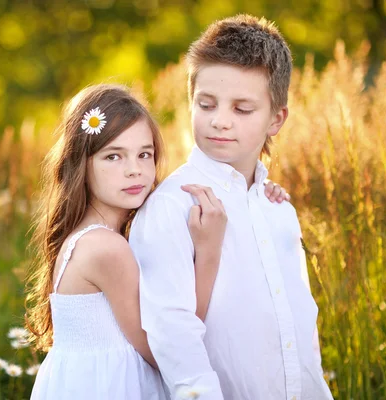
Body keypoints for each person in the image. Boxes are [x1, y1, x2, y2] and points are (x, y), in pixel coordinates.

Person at [25, 84, 289, 400]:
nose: (134, 170)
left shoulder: (91, 236)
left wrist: (258, 192)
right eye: (113, 156)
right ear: (81, 163)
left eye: (144, 154)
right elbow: (165, 347)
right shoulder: (106, 249)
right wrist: (208, 251)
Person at [129, 14, 334, 400]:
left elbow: (302, 324)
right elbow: (172, 333)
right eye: (206, 104)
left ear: (276, 119)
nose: (220, 121)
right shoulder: (172, 207)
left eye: (242, 110)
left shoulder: (279, 209)